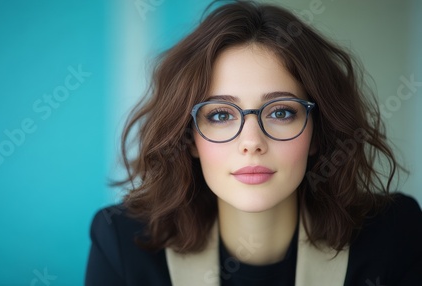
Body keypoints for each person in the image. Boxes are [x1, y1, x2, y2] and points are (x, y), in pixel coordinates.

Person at [85, 1, 422, 285]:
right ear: (188, 139)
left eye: (281, 112)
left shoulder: (395, 233)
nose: (251, 142)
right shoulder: (122, 243)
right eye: (219, 115)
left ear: (317, 133)